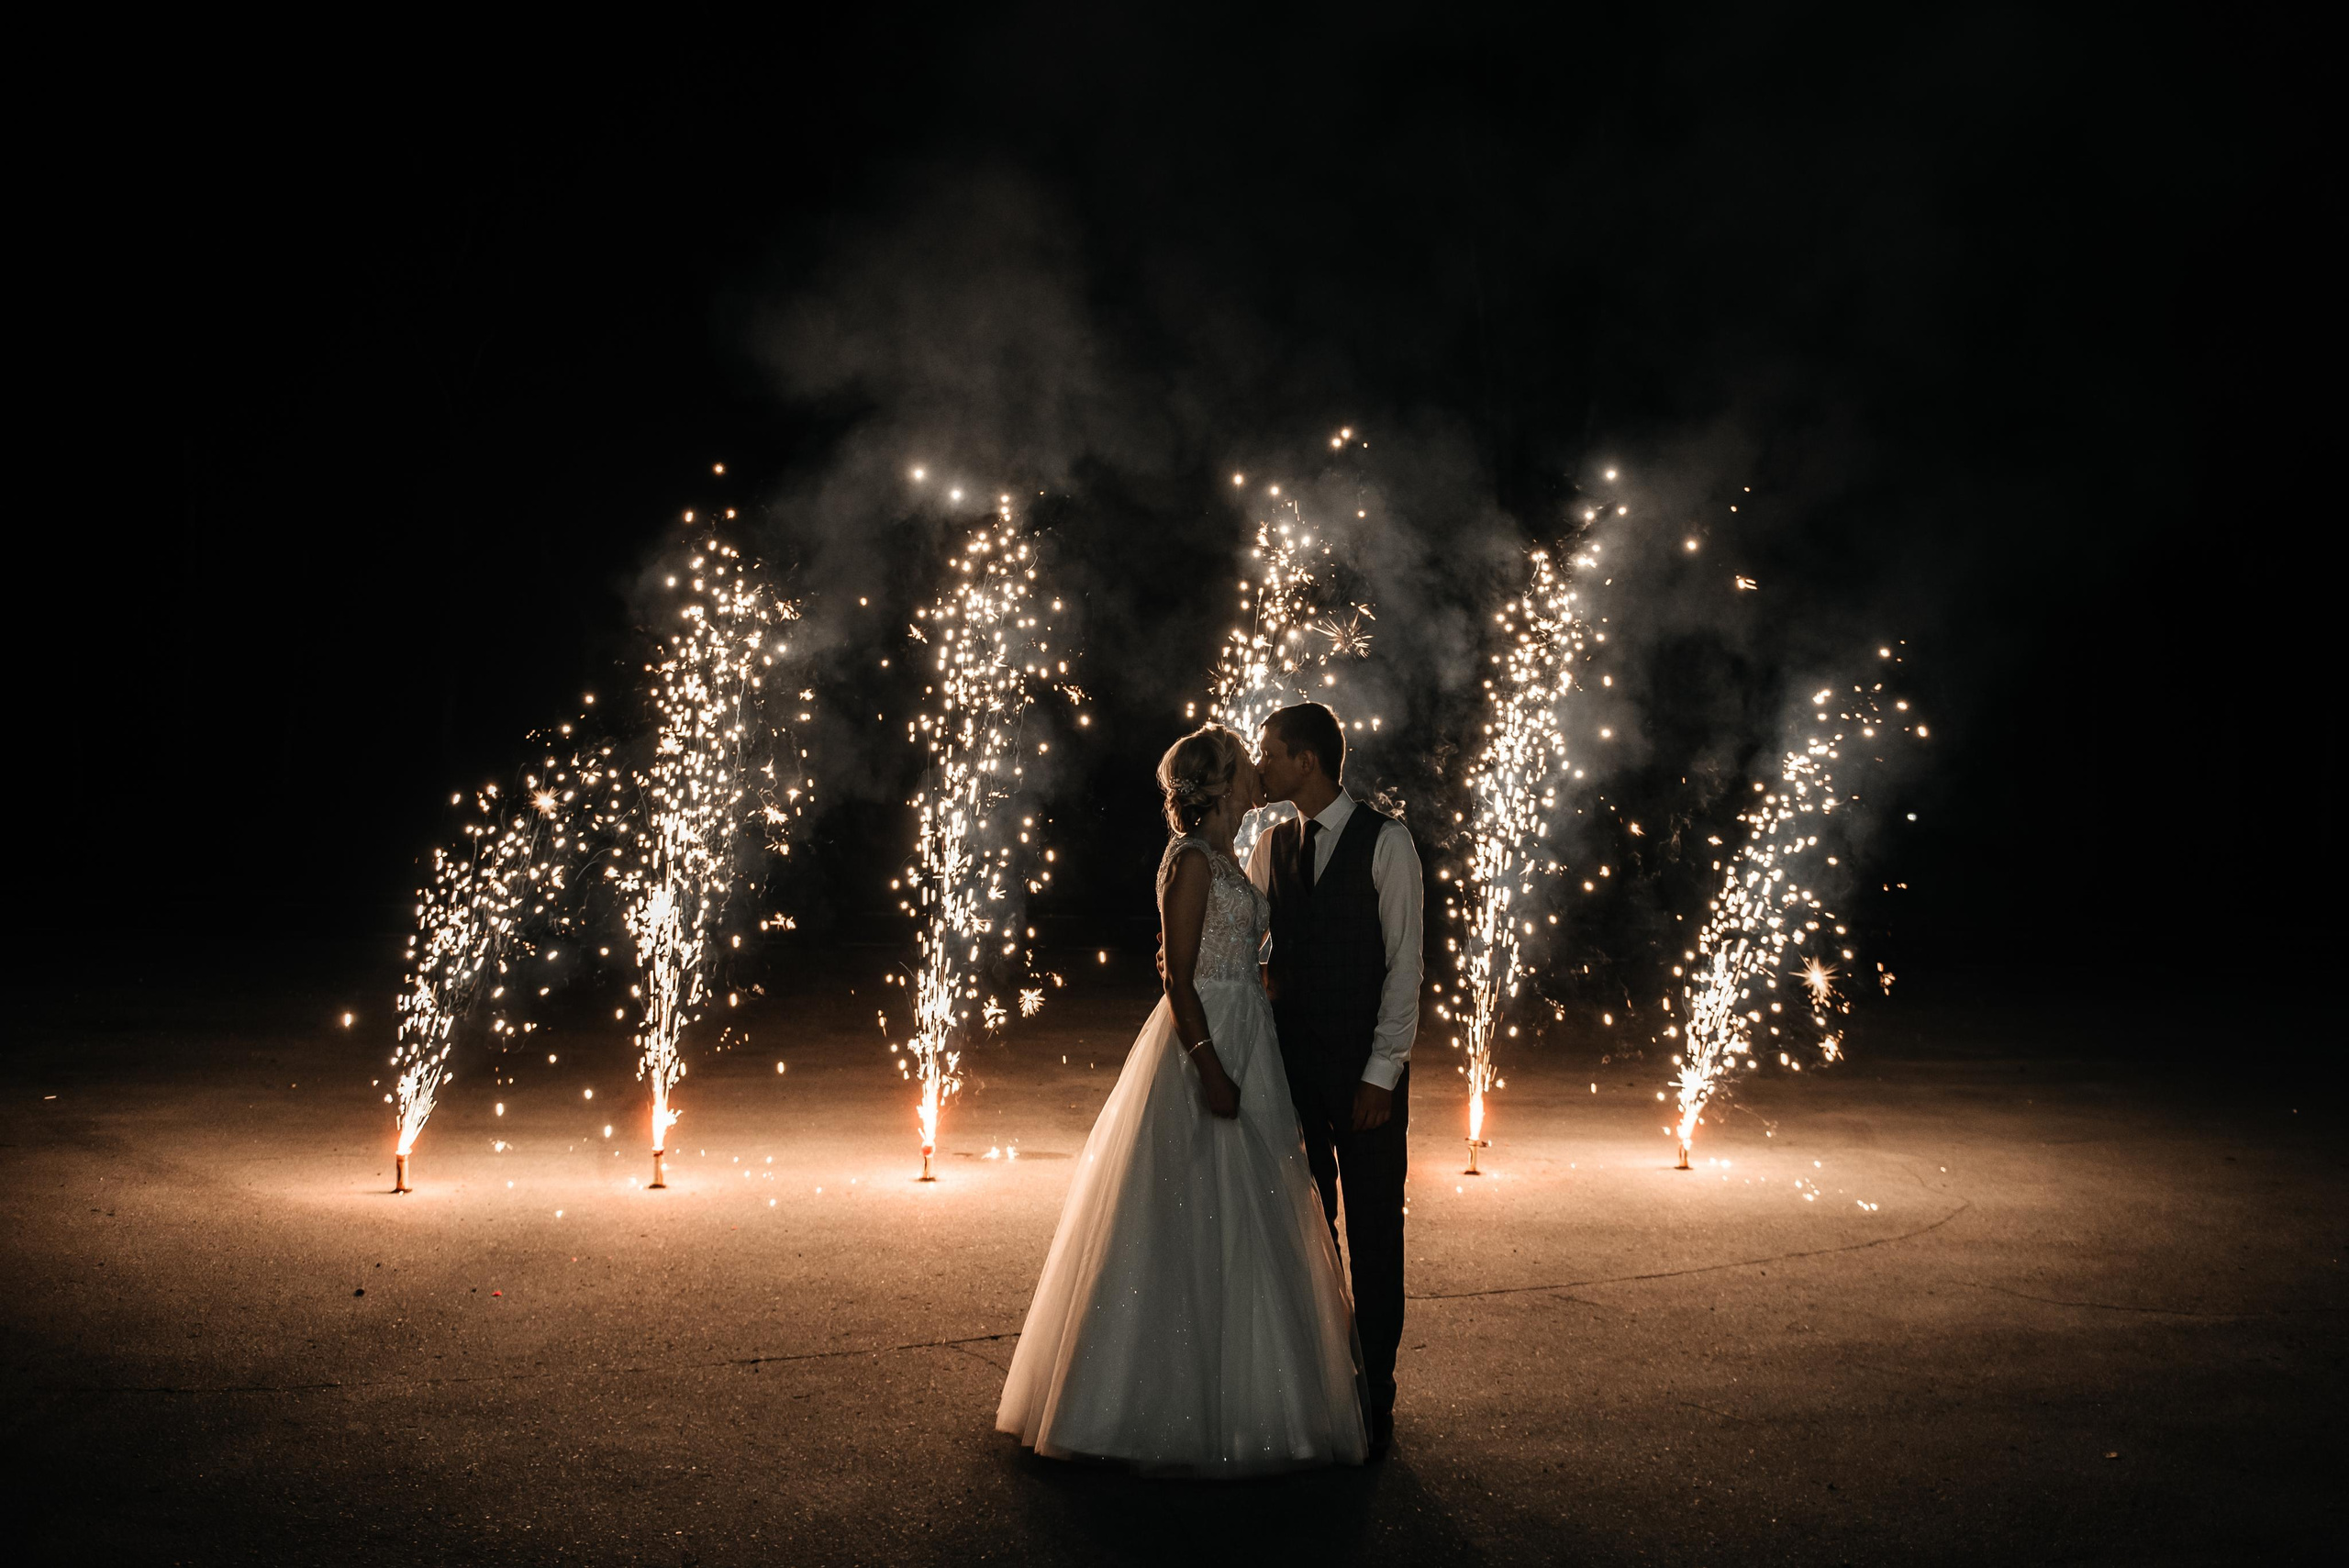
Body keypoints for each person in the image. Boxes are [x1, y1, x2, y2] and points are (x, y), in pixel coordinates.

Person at [996, 722, 1367, 1475]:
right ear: (1223, 781)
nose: (1258, 771)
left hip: (1250, 1035)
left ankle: (1260, 1397)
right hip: (1207, 1044)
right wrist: (1209, 1066)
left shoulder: (1233, 855)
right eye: (1245, 762)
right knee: (1187, 1207)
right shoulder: (1193, 859)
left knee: (1254, 1210)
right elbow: (1177, 974)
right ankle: (1160, 1402)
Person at [1248, 701, 1423, 1461]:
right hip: (1291, 1075)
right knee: (1308, 1232)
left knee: (1377, 1232)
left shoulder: (1389, 844)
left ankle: (1375, 1384)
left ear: (1307, 761)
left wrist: (1381, 1075)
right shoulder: (1271, 845)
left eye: (1271, 753)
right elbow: (1244, 933)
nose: (1262, 766)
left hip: (1364, 1079)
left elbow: (1405, 968)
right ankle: (1319, 1378)